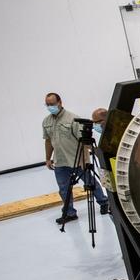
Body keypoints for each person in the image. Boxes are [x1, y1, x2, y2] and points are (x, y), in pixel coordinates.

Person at [43, 92, 108, 223]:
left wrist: (95, 152)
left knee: (90, 182)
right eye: (47, 104)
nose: (50, 106)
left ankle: (104, 202)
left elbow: (85, 139)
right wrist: (48, 158)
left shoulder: (72, 119)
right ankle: (69, 213)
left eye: (52, 104)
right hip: (60, 161)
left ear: (60, 103)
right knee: (63, 188)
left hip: (77, 159)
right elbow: (48, 141)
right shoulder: (46, 122)